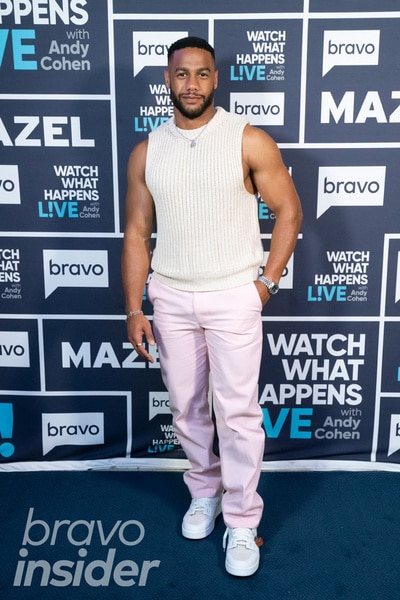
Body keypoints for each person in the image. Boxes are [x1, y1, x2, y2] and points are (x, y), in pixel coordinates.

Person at [121, 36, 303, 577]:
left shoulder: (248, 140)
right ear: (167, 79)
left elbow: (289, 212)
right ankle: (205, 493)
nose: (191, 84)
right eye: (182, 75)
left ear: (216, 79)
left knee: (239, 414)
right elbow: (136, 232)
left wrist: (265, 284)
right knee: (186, 407)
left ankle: (243, 519)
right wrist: (136, 308)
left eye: (202, 74)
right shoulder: (147, 150)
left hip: (234, 296)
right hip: (171, 296)